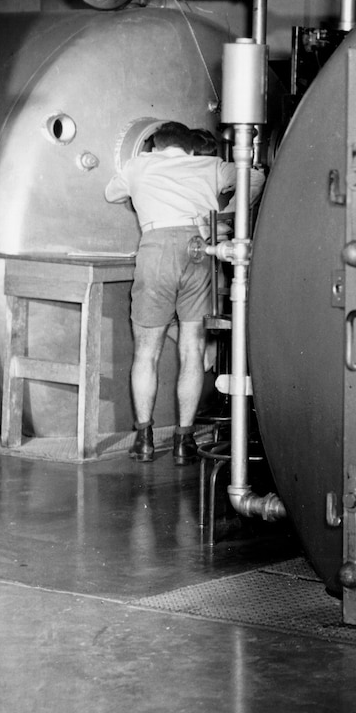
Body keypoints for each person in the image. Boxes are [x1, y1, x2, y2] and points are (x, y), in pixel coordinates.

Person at [104, 122, 264, 463]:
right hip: (199, 248)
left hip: (157, 248)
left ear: (155, 146)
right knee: (192, 350)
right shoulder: (209, 165)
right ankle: (183, 441)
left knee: (146, 352)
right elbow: (256, 177)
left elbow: (111, 193)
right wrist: (227, 215)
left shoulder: (140, 164)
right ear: (190, 147)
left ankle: (144, 439)